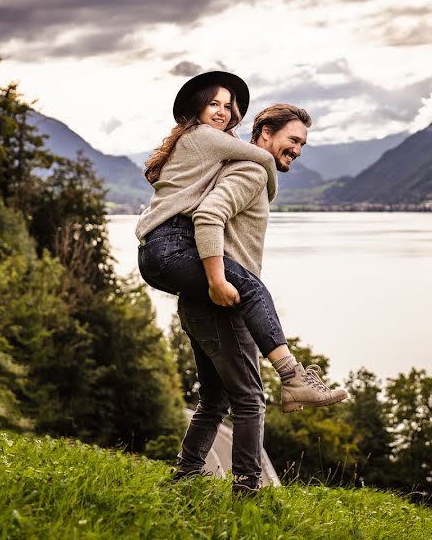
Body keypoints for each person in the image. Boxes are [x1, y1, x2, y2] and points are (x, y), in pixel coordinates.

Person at [136, 71, 346, 493]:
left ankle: (185, 476)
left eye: (303, 144)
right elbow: (209, 216)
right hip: (220, 296)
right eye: (293, 140)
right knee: (250, 397)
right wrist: (216, 279)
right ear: (265, 133)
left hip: (199, 289)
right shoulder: (249, 170)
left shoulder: (225, 158)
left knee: (213, 400)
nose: (298, 150)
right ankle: (249, 486)